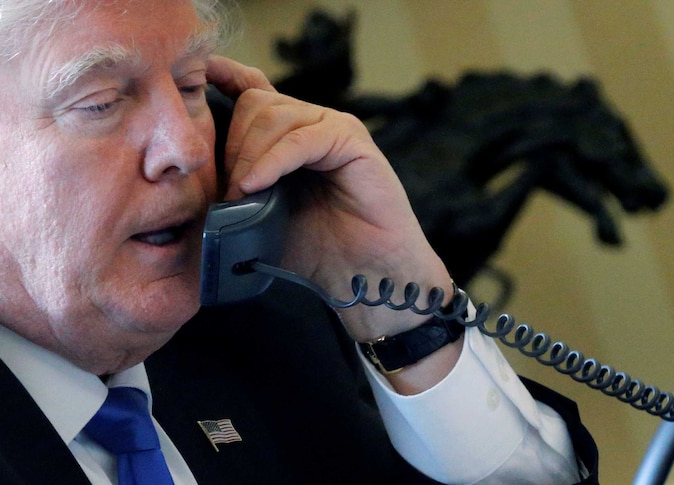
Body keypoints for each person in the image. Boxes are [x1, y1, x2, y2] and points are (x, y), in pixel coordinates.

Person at [0, 1, 598, 483]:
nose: (185, 146)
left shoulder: (270, 337)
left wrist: (398, 306)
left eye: (191, 88)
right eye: (101, 102)